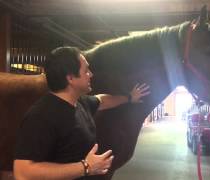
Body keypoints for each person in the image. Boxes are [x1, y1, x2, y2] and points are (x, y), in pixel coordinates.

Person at [13, 47, 150, 180]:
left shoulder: (81, 103)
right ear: (71, 78)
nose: (90, 74)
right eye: (86, 70)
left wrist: (129, 97)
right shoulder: (41, 116)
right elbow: (23, 173)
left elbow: (103, 100)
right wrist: (85, 167)